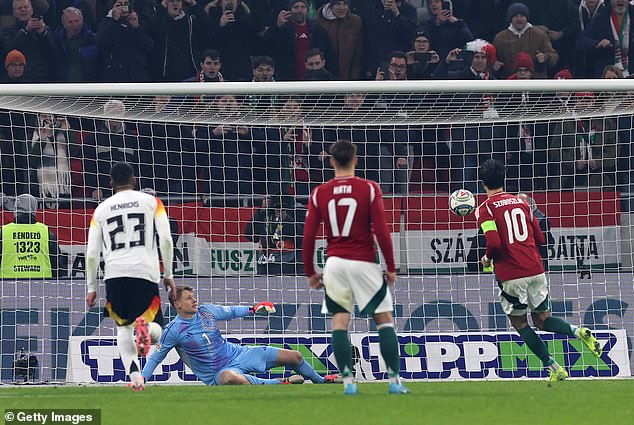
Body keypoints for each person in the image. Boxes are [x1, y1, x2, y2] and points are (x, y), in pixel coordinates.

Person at [476, 159, 602, 381]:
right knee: (543, 319)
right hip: (535, 269)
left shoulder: (485, 209)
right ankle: (578, 331)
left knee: (520, 323)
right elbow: (541, 237)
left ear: (483, 183)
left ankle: (555, 368)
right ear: (504, 180)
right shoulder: (522, 203)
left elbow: (494, 243)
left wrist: (486, 259)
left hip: (512, 274)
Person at [302, 139, 410, 395]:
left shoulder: (320, 192)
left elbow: (308, 237)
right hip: (364, 261)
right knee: (384, 321)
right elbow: (382, 231)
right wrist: (391, 266)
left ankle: (349, 382)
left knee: (340, 322)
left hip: (335, 263)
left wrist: (310, 272)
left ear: (331, 162)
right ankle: (394, 381)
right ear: (356, 160)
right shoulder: (369, 188)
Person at [85, 162, 175, 391]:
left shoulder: (101, 209)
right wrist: (169, 274)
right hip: (144, 271)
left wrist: (91, 287)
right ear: (134, 180)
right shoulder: (151, 202)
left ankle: (135, 376)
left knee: (123, 328)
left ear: (111, 183)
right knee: (157, 330)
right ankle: (146, 327)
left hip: (114, 274)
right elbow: (165, 239)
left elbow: (92, 254)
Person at [141, 285, 340, 386]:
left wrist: (253, 309)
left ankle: (321, 381)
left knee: (295, 356)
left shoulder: (206, 311)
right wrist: (140, 379)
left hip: (238, 354)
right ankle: (281, 383)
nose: (194, 300)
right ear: (177, 305)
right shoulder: (173, 331)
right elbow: (156, 357)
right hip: (217, 373)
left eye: (193, 296)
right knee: (230, 378)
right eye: (189, 298)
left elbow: (231, 311)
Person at [0, 193, 66, 278]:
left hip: (8, 287)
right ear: (34, 208)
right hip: (43, 287)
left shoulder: (3, 232)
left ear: (15, 209)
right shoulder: (46, 232)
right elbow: (57, 265)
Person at [244, 193, 305, 276]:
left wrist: (286, 219)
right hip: (264, 264)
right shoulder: (264, 213)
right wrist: (261, 212)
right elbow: (250, 235)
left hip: (288, 263)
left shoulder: (297, 210)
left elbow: (301, 238)